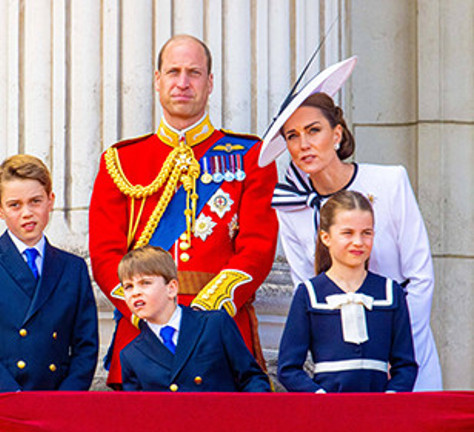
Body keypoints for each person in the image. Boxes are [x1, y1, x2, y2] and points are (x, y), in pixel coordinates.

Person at [89, 34, 278, 388]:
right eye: (173, 71)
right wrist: (145, 308)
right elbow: (104, 254)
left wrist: (206, 317)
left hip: (219, 331)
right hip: (143, 334)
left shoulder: (251, 156)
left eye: (194, 72)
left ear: (210, 84)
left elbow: (258, 246)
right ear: (157, 81)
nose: (182, 82)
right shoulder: (120, 160)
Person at [259, 59, 442, 390]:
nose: (303, 144)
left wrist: (394, 351)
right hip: (340, 368)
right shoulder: (290, 205)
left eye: (314, 130)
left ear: (337, 133)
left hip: (403, 356)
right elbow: (307, 287)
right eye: (292, 135)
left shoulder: (390, 181)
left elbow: (420, 277)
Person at [0, 154, 99, 393]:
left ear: (51, 200)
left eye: (35, 201)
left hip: (54, 402)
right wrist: (10, 395)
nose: (27, 213)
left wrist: (65, 399)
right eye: (15, 205)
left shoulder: (73, 268)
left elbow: (86, 346)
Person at [277, 190, 418, 393]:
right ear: (326, 237)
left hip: (379, 412)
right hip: (327, 413)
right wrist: (319, 397)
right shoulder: (309, 293)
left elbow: (405, 365)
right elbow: (288, 368)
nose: (358, 242)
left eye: (366, 233)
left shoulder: (390, 291)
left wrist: (391, 397)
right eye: (347, 233)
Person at [118, 246, 270, 392]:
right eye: (128, 287)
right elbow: (137, 412)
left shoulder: (214, 325)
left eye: (145, 283)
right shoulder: (131, 355)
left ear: (171, 288)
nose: (135, 292)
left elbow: (252, 380)